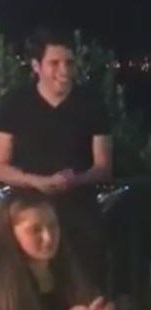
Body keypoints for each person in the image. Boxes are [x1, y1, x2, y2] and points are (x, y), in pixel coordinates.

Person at [0, 28, 112, 292]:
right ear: (36, 66)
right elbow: (1, 166)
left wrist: (76, 180)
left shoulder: (91, 104)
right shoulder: (14, 103)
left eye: (69, 62)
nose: (64, 70)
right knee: (32, 289)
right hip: (29, 216)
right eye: (54, 63)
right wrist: (37, 182)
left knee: (86, 287)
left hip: (79, 214)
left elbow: (103, 167)